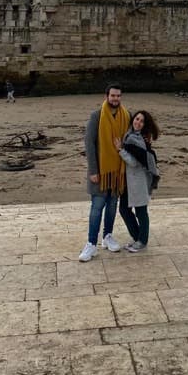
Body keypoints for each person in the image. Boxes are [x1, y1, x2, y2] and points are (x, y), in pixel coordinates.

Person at [79, 84, 130, 262]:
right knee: (97, 207)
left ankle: (107, 236)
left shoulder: (126, 116)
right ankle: (91, 244)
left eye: (118, 96)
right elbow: (89, 144)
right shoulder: (96, 116)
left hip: (117, 172)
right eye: (113, 96)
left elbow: (130, 140)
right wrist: (93, 170)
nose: (116, 99)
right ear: (106, 96)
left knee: (111, 207)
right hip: (100, 172)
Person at [115, 111, 160, 252]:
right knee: (124, 209)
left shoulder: (138, 139)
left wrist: (120, 150)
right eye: (137, 119)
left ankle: (142, 241)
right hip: (130, 181)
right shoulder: (130, 134)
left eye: (141, 121)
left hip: (138, 180)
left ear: (144, 125)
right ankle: (137, 238)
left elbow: (134, 163)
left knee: (141, 211)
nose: (138, 122)